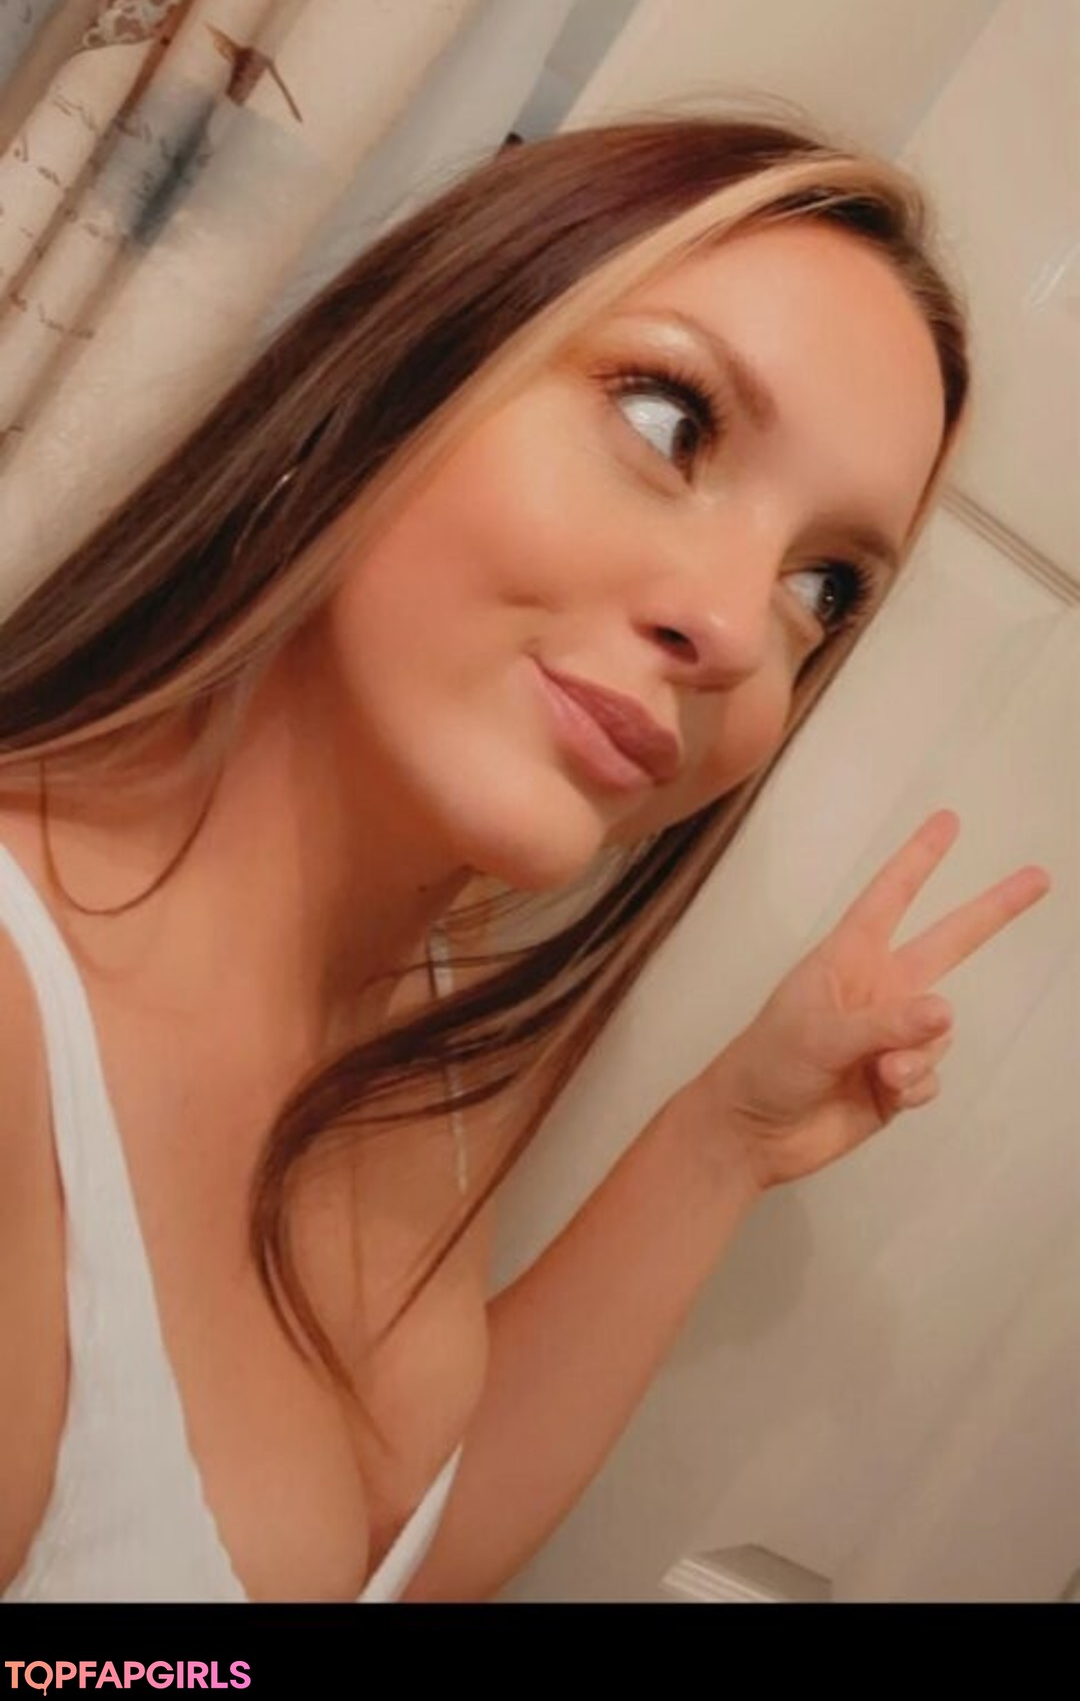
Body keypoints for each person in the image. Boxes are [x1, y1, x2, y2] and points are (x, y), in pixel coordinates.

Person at [0, 113, 1051, 1605]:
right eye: (672, 421)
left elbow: (364, 1558)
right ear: (394, 373)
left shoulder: (431, 990)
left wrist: (729, 1138)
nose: (737, 628)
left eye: (824, 584)